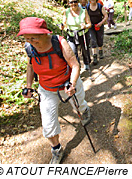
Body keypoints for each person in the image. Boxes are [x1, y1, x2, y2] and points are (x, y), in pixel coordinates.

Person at [18, 17, 91, 164]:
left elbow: (75, 65)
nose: (30, 41)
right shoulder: (29, 48)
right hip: (46, 89)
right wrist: (28, 86)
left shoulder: (60, 43)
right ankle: (56, 150)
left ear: (45, 34)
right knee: (48, 123)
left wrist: (72, 83)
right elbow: (31, 66)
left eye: (34, 37)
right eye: (27, 38)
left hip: (66, 84)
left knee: (79, 105)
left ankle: (85, 110)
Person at [61, 0, 92, 70]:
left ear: (78, 2)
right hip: (71, 35)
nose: (73, 3)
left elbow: (89, 24)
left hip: (82, 34)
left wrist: (85, 26)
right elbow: (64, 22)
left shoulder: (83, 11)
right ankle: (77, 67)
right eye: (71, 2)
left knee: (85, 49)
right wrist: (62, 26)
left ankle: (86, 62)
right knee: (73, 51)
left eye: (75, 1)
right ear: (68, 3)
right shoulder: (66, 11)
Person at [87, 0, 108, 65]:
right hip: (91, 26)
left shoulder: (100, 6)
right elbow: (85, 17)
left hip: (99, 25)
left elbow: (105, 16)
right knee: (93, 40)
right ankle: (95, 57)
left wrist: (101, 23)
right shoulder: (87, 7)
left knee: (100, 40)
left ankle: (101, 51)